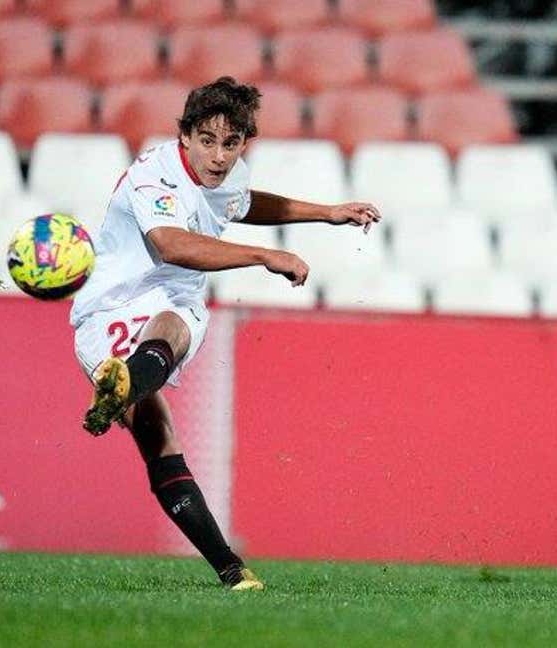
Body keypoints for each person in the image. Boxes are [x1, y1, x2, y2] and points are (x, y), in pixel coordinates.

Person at [70, 77, 382, 590]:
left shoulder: (227, 173)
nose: (218, 156)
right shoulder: (156, 176)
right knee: (169, 324)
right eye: (208, 141)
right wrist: (265, 255)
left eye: (231, 143)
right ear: (186, 136)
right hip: (111, 306)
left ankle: (232, 571)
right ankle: (124, 381)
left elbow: (244, 202)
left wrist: (326, 214)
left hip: (169, 304)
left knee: (161, 438)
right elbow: (171, 245)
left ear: (243, 142)